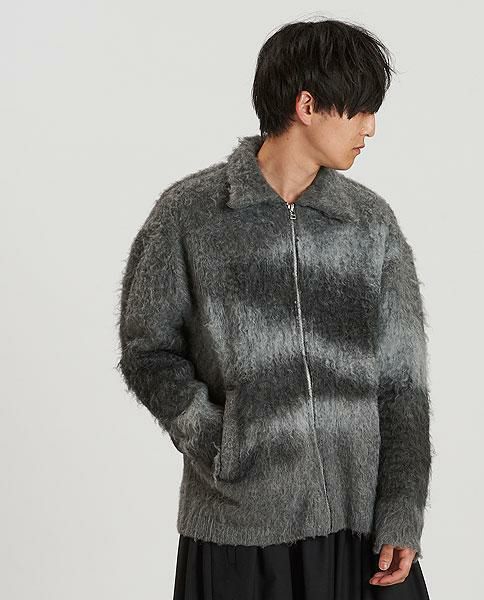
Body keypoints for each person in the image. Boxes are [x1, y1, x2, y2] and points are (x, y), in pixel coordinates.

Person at [117, 16, 432, 600]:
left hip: (356, 530)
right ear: (307, 105)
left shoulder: (370, 225)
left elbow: (403, 386)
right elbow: (147, 350)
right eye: (360, 110)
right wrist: (221, 444)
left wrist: (401, 511)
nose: (371, 127)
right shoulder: (191, 215)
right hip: (238, 532)